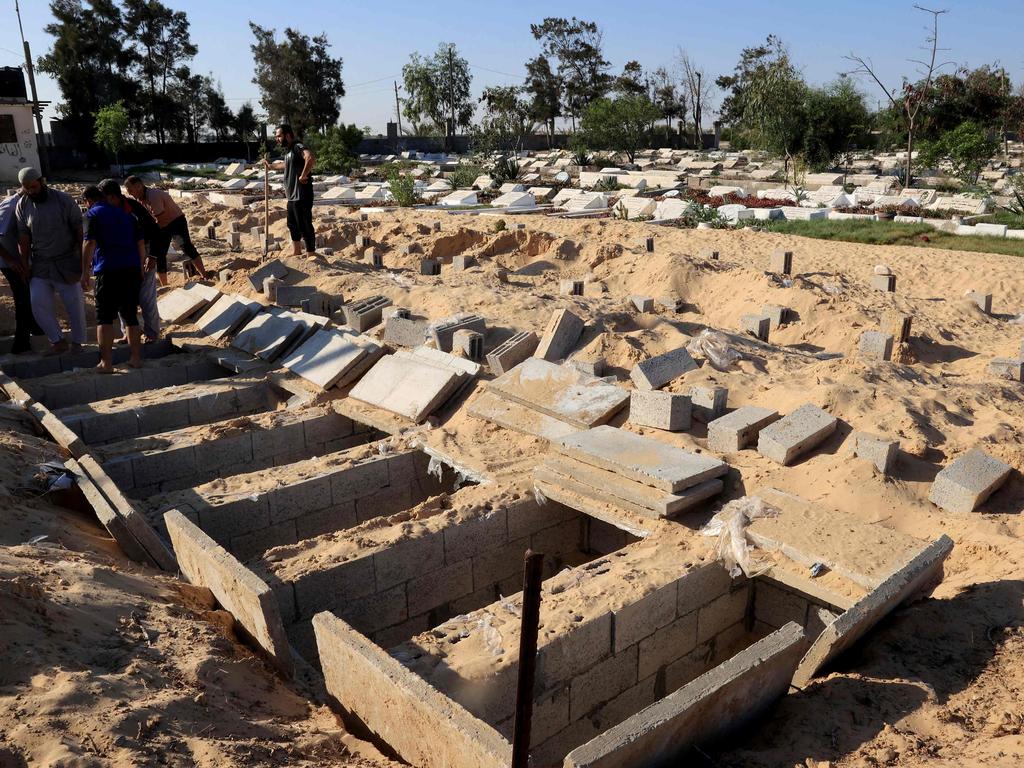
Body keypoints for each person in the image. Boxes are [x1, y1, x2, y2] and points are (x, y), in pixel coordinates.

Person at [14, 167, 87, 354]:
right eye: (26, 188)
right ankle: (57, 340)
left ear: (42, 182)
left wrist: (83, 262)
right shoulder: (23, 205)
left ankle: (78, 343)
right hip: (40, 264)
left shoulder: (63, 200)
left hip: (67, 262)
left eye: (34, 186)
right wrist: (25, 263)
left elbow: (79, 231)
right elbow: (23, 237)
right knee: (38, 304)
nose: (31, 191)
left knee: (75, 305)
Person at [81, 185, 146, 372]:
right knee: (130, 315)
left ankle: (106, 363)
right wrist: (140, 267)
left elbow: (89, 242)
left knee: (104, 318)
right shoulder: (127, 215)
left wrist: (85, 271)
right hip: (131, 270)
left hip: (107, 270)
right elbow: (140, 243)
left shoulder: (92, 215)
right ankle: (135, 359)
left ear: (88, 201)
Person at [98, 179, 160, 343]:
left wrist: (152, 256)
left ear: (112, 197)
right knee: (122, 297)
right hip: (122, 257)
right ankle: (129, 333)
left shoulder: (133, 208)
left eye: (103, 198)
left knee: (146, 297)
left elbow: (155, 231)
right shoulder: (106, 211)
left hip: (144, 253)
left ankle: (152, 334)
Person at [124, 175, 208, 285]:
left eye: (130, 190)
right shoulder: (141, 200)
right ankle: (165, 285)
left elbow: (158, 220)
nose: (130, 193)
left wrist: (151, 236)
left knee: (186, 247)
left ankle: (204, 275)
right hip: (162, 225)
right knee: (159, 255)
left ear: (139, 186)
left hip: (175, 221)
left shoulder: (153, 196)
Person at [0, 190, 44, 353]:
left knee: (29, 296)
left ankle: (35, 328)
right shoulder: (10, 205)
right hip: (10, 263)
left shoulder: (26, 204)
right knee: (23, 300)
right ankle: (21, 343)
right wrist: (11, 260)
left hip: (21, 261)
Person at [266, 123, 316, 256]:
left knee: (304, 225)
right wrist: (270, 166)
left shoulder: (297, 147)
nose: (277, 139)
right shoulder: (289, 152)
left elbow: (309, 157)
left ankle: (311, 254)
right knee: (292, 224)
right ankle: (297, 251)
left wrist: (304, 175)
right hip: (292, 196)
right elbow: (285, 165)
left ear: (287, 135)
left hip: (301, 194)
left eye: (279, 136)